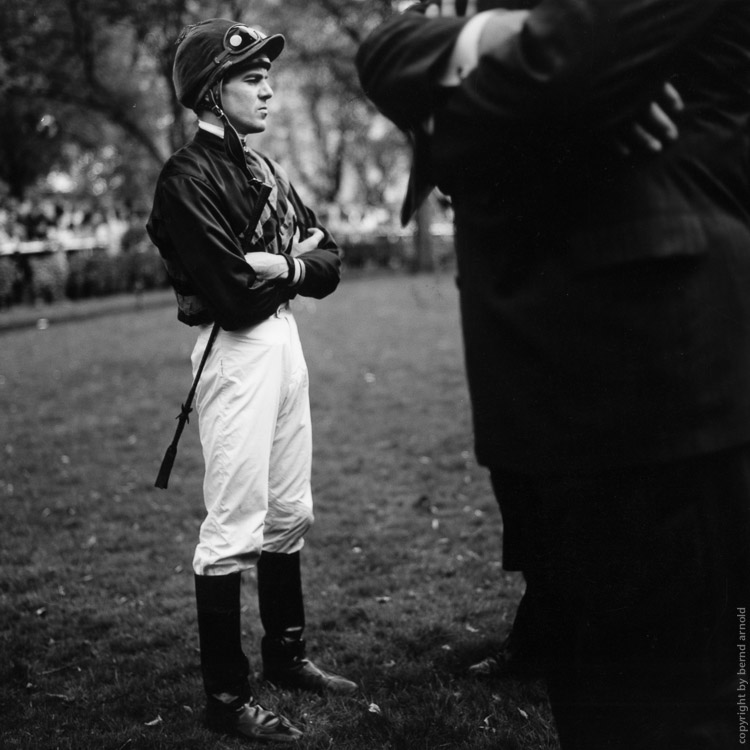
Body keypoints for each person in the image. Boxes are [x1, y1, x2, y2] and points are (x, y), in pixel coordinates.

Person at [357, 2, 750, 748]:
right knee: (596, 709)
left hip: (661, 383)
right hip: (550, 397)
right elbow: (386, 51)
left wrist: (455, 113)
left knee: (683, 715)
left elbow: (570, 62)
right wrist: (504, 45)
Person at [147, 17, 356, 744]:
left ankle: (287, 655)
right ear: (212, 92)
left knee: (290, 509)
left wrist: (285, 265)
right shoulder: (184, 179)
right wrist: (276, 269)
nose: (269, 90)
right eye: (252, 79)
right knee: (232, 525)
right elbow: (232, 296)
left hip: (283, 344)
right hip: (231, 353)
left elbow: (330, 260)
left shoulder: (267, 172)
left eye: (269, 77)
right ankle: (227, 698)